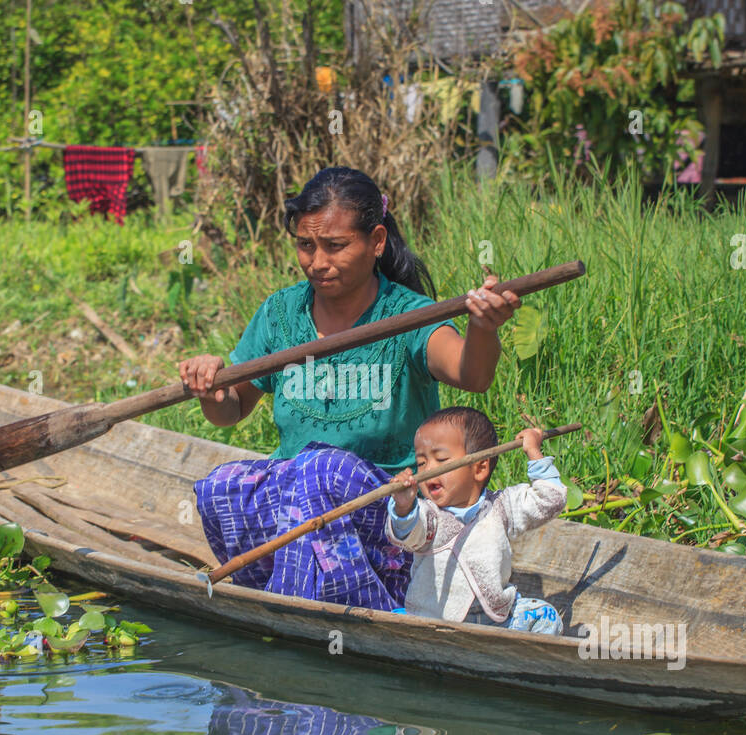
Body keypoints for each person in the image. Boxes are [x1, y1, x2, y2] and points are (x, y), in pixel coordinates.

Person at [180, 166, 520, 610]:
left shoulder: (408, 316)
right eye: (306, 245)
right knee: (221, 486)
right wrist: (211, 388)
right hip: (298, 508)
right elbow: (231, 410)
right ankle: (294, 590)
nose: (317, 262)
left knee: (320, 470)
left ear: (376, 241)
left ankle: (318, 606)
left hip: (389, 512)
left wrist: (483, 328)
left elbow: (471, 375)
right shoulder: (281, 312)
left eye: (335, 246)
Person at [384, 407, 567, 633]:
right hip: (434, 621)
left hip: (496, 619)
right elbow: (407, 533)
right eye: (421, 463)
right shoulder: (428, 516)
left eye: (441, 459)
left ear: (479, 468)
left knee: (547, 619)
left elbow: (551, 500)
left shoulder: (502, 506)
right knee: (395, 626)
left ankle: (511, 662)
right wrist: (403, 506)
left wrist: (533, 452)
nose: (428, 468)